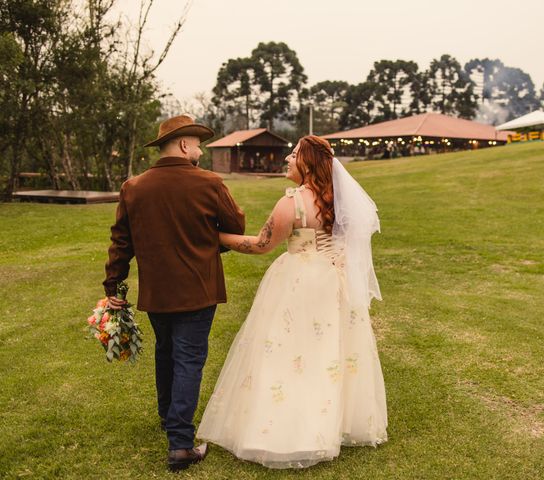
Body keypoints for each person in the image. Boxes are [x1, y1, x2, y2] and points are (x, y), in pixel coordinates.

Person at [197, 135, 388, 468]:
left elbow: (260, 245)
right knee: (330, 350)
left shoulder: (294, 203)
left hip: (300, 281)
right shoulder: (337, 198)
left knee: (290, 350)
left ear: (308, 162)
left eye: (294, 154)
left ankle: (286, 428)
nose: (287, 157)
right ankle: (335, 421)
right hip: (335, 281)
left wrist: (214, 237)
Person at [103, 114, 245, 472]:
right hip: (198, 289)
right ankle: (180, 443)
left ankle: (169, 418)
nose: (199, 149)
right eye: (197, 143)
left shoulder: (133, 187)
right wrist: (208, 243)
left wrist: (114, 285)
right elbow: (235, 225)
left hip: (158, 292)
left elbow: (122, 242)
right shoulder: (209, 182)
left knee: (166, 352)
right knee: (188, 360)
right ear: (184, 145)